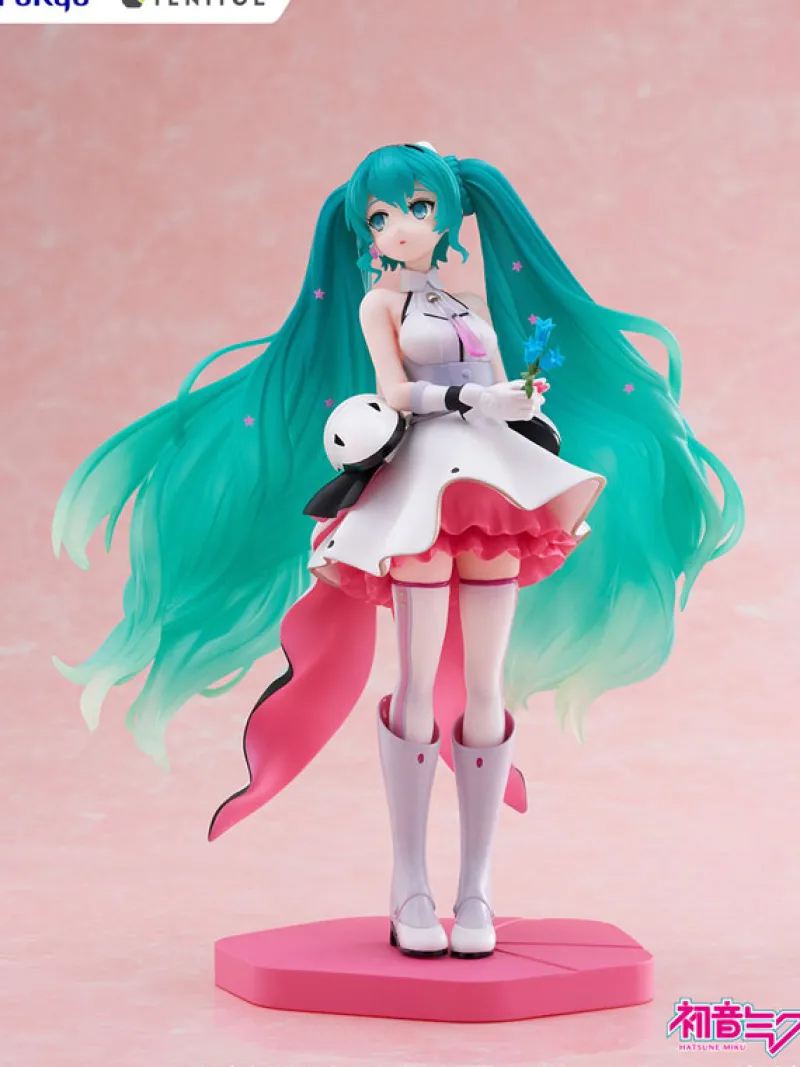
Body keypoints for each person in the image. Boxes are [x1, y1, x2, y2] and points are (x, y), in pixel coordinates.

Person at [52, 142, 745, 961]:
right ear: (366, 231)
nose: (400, 227)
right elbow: (394, 392)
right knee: (416, 681)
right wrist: (471, 394)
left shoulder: (467, 299)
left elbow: (500, 376)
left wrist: (518, 397)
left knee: (483, 684)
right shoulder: (379, 303)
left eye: (416, 208)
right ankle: (409, 880)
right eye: (381, 216)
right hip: (422, 481)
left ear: (447, 214)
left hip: (493, 478)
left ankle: (476, 885)